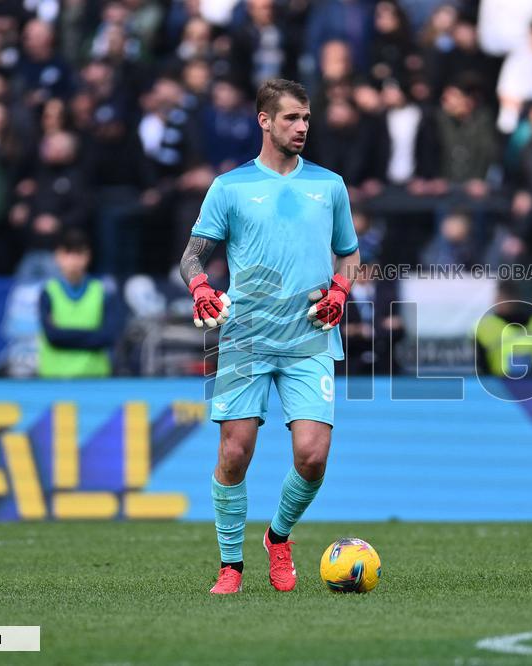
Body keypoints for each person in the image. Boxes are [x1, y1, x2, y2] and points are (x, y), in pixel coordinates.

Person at [180, 78, 360, 595]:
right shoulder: (230, 187)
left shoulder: (329, 185)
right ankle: (231, 566)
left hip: (310, 335)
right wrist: (199, 287)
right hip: (245, 337)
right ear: (265, 121)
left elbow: (348, 252)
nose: (302, 127)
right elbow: (193, 253)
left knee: (313, 455)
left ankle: (278, 537)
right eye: (291, 119)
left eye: (306, 118)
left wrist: (341, 290)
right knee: (235, 453)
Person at [37, 228, 121, 378]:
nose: (74, 260)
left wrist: (65, 334)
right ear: (58, 256)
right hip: (54, 379)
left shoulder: (102, 292)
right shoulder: (49, 292)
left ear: (88, 256)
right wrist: (92, 336)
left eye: (79, 253)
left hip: (94, 378)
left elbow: (108, 336)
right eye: (68, 253)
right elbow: (53, 336)